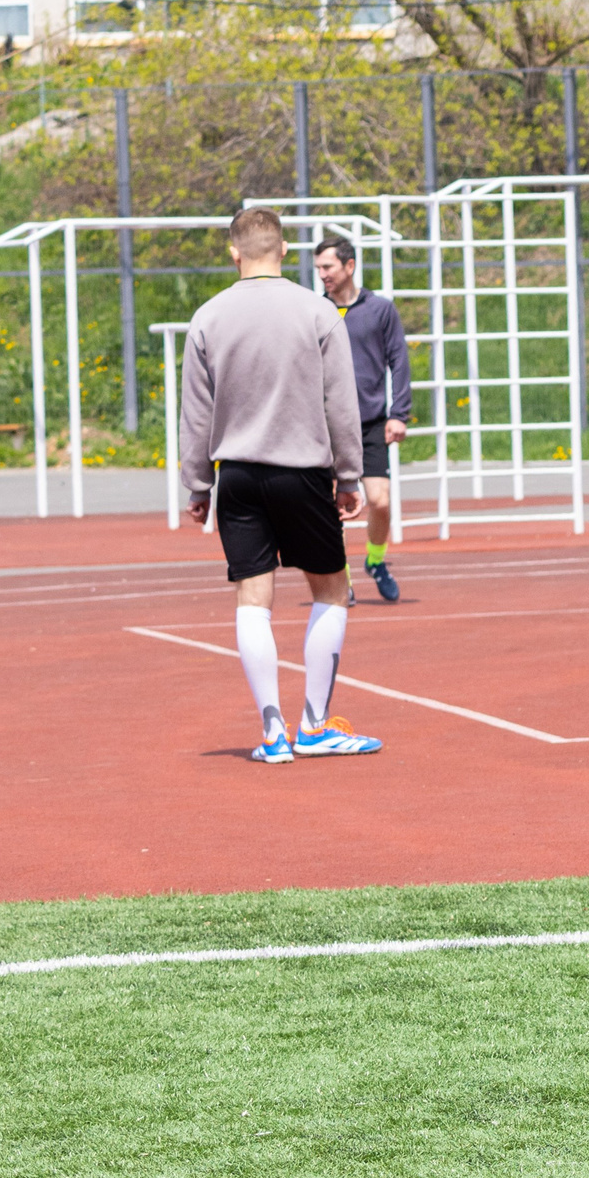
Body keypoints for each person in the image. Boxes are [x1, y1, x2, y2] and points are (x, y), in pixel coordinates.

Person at [179, 207, 383, 764]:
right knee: (332, 590)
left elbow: (195, 414)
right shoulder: (318, 310)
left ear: (233, 252)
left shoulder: (208, 316)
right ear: (286, 252)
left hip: (238, 476)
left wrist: (197, 487)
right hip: (303, 472)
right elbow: (341, 403)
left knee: (252, 597)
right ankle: (314, 725)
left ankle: (272, 734)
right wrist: (349, 475)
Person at [311, 233, 411, 604]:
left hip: (369, 422)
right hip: (327, 424)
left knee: (380, 501)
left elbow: (399, 361)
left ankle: (376, 561)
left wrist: (398, 414)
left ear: (349, 266)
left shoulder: (380, 310)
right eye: (318, 268)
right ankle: (344, 580)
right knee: (334, 506)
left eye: (328, 266)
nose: (322, 274)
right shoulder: (316, 311)